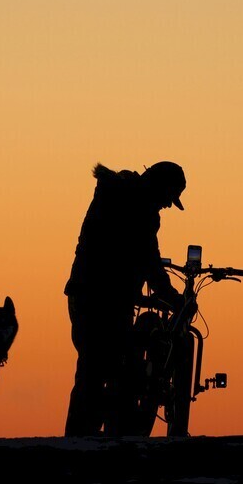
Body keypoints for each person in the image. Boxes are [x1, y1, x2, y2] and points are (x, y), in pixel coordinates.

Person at [64, 161, 187, 437]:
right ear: (160, 188)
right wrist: (170, 296)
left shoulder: (117, 194)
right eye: (169, 198)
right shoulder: (139, 208)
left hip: (90, 294)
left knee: (95, 368)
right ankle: (86, 439)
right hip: (100, 298)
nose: (168, 205)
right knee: (99, 369)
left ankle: (83, 439)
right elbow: (148, 259)